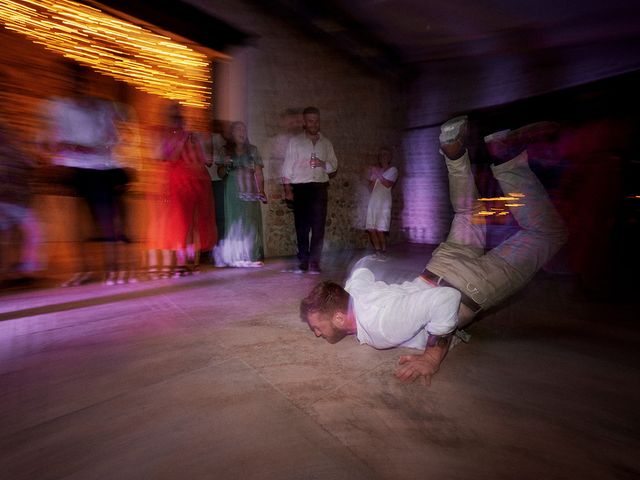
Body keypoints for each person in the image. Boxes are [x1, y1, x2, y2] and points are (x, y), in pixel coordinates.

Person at [300, 115, 567, 386]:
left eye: (317, 328)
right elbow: (364, 267)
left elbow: (446, 300)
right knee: (468, 211)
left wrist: (432, 356)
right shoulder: (354, 292)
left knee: (546, 234)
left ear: (338, 317)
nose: (317, 334)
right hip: (439, 265)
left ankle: (506, 160)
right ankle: (458, 153)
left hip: (467, 285)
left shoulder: (382, 326)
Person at [43, 62, 128, 286]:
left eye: (81, 80)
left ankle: (113, 269)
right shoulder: (60, 107)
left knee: (106, 219)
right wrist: (58, 152)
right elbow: (53, 140)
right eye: (72, 79)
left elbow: (113, 138)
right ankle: (84, 270)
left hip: (100, 169)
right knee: (76, 223)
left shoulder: (102, 107)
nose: (77, 84)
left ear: (88, 82)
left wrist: (85, 147)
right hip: (72, 169)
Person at [154, 103, 217, 277]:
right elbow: (166, 157)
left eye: (180, 115)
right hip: (177, 182)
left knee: (195, 224)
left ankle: (192, 261)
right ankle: (181, 263)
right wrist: (180, 140)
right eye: (174, 115)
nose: (178, 118)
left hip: (197, 181)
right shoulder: (166, 134)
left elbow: (207, 160)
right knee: (181, 223)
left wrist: (203, 141)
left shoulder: (194, 136)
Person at [282, 106, 338, 274]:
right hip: (301, 188)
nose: (314, 124)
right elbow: (287, 167)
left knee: (318, 227)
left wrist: (323, 164)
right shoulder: (295, 142)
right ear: (305, 123)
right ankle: (304, 259)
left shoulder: (326, 143)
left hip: (319, 187)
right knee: (302, 227)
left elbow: (334, 166)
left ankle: (315, 261)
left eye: (317, 121)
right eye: (311, 121)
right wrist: (288, 190)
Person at [215, 121, 266, 267]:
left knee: (251, 220)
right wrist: (225, 165)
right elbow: (220, 173)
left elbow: (258, 172)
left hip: (250, 187)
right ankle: (235, 256)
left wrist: (261, 189)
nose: (242, 132)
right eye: (238, 129)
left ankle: (252, 255)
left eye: (244, 129)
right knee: (235, 220)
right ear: (232, 134)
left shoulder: (253, 150)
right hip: (233, 187)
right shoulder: (225, 150)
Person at [366, 147, 398, 259]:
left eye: (385, 155)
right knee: (371, 228)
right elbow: (370, 188)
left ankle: (384, 251)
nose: (383, 157)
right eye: (381, 155)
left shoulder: (393, 170)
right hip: (373, 202)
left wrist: (378, 174)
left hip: (383, 203)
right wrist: (374, 178)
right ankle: (377, 251)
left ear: (389, 157)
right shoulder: (377, 171)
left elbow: (388, 184)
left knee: (380, 229)